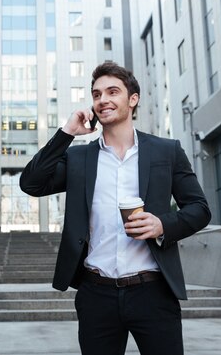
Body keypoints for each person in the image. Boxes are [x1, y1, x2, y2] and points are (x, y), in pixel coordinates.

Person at [19, 61, 211, 355]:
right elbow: (31, 183)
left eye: (112, 92)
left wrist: (162, 226)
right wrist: (67, 132)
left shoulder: (166, 151)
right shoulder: (80, 158)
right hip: (97, 293)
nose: (102, 100)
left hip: (154, 291)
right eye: (96, 94)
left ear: (132, 99)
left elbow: (199, 208)